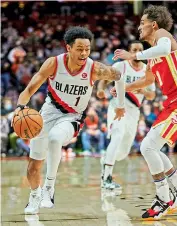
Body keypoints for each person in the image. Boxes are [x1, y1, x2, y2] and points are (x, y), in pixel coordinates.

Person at [13, 26, 125, 214]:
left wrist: (119, 101)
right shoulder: (53, 63)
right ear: (68, 48)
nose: (84, 53)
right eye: (80, 49)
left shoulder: (94, 68)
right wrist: (19, 109)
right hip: (47, 113)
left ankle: (50, 187)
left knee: (56, 138)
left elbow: (118, 75)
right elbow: (29, 89)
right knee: (33, 166)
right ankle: (35, 194)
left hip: (72, 116)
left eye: (87, 49)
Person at [113, 5, 177, 219]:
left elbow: (166, 49)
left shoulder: (162, 36)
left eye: (142, 22)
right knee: (153, 148)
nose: (139, 27)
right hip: (171, 103)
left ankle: (164, 198)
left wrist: (135, 55)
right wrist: (122, 88)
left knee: (148, 146)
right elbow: (148, 80)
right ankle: (172, 194)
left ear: (154, 24)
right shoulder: (151, 54)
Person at [97, 40, 156, 190]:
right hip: (117, 106)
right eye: (134, 49)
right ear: (129, 51)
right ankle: (107, 178)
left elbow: (152, 96)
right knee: (117, 134)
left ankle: (106, 160)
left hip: (134, 110)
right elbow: (104, 79)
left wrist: (143, 91)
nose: (137, 52)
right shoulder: (120, 66)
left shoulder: (147, 70)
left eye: (139, 50)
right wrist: (101, 90)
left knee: (123, 152)